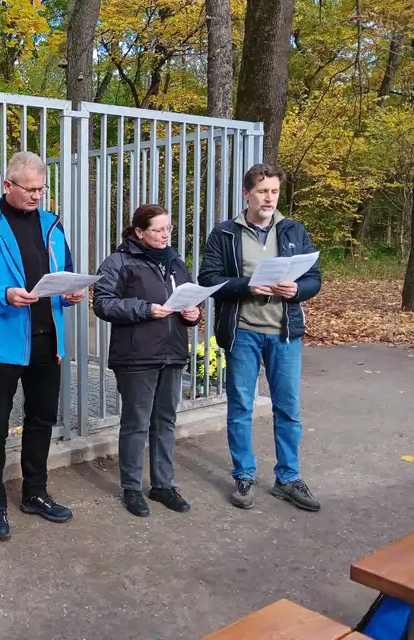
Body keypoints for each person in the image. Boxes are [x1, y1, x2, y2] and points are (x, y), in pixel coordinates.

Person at [0, 151, 86, 542]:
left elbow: (65, 274)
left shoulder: (52, 224)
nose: (36, 197)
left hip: (49, 342)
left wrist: (71, 293)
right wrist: (3, 295)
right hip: (2, 344)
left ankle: (35, 493)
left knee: (41, 421)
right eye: (29, 189)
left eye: (41, 190)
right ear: (7, 185)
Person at [198, 163, 322, 512]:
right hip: (244, 333)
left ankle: (288, 478)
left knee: (288, 409)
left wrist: (297, 289)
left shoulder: (294, 231)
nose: (269, 198)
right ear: (246, 194)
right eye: (263, 191)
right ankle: (244, 475)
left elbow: (314, 278)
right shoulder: (224, 233)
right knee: (241, 406)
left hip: (284, 335)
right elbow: (209, 279)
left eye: (274, 191)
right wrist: (246, 286)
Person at [93, 205, 201, 517]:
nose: (165, 234)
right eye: (158, 229)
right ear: (139, 232)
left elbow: (189, 298)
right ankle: (131, 487)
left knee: (165, 420)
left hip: (173, 352)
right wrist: (146, 309)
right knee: (136, 423)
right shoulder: (119, 262)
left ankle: (163, 485)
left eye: (168, 228)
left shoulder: (175, 261)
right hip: (136, 354)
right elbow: (103, 303)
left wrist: (193, 314)